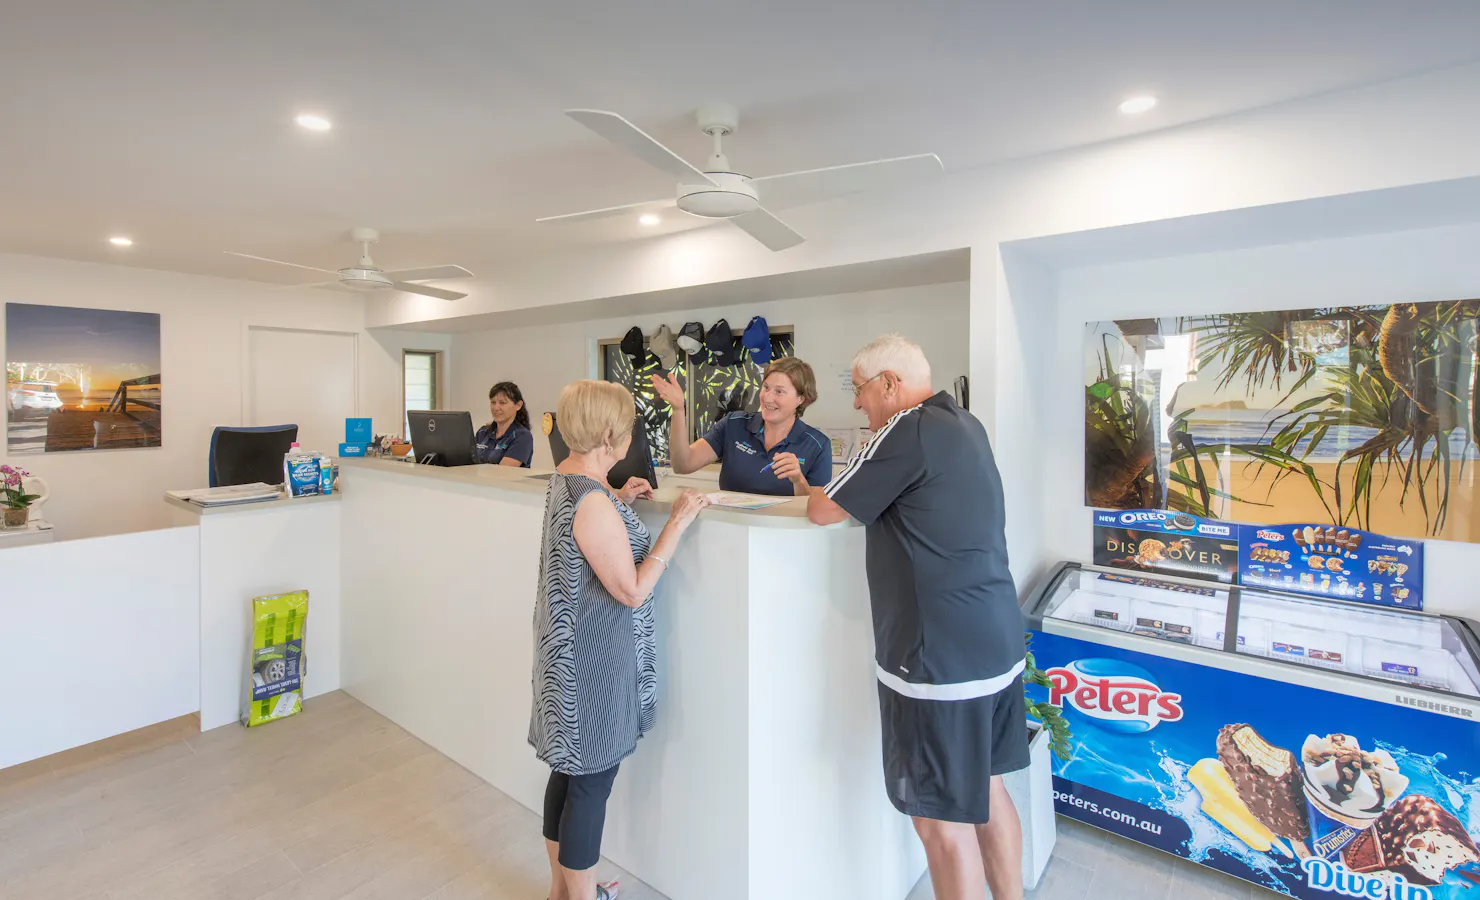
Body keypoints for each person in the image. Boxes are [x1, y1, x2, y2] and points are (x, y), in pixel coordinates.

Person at [803, 335, 1028, 900]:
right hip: (994, 643)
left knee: (938, 823)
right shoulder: (963, 423)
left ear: (889, 385)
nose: (857, 405)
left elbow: (823, 508)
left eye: (859, 391)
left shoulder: (906, 429)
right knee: (988, 790)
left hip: (938, 659)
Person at [529, 380, 710, 900]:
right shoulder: (592, 504)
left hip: (564, 651)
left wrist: (618, 496)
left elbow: (591, 522)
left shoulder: (568, 481)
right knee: (590, 784)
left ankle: (560, 893)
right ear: (609, 436)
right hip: (594, 663)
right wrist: (676, 523)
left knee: (568, 773)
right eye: (628, 428)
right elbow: (631, 590)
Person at [651, 356, 832, 497]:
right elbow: (683, 465)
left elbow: (817, 511)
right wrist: (677, 410)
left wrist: (798, 480)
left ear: (801, 399)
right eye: (766, 387)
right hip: (731, 534)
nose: (768, 398)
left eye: (779, 391)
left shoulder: (818, 445)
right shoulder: (734, 424)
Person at [475, 381, 534, 467]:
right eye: (493, 402)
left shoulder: (522, 436)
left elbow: (503, 472)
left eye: (502, 403)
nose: (496, 408)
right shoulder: (482, 433)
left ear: (518, 405)